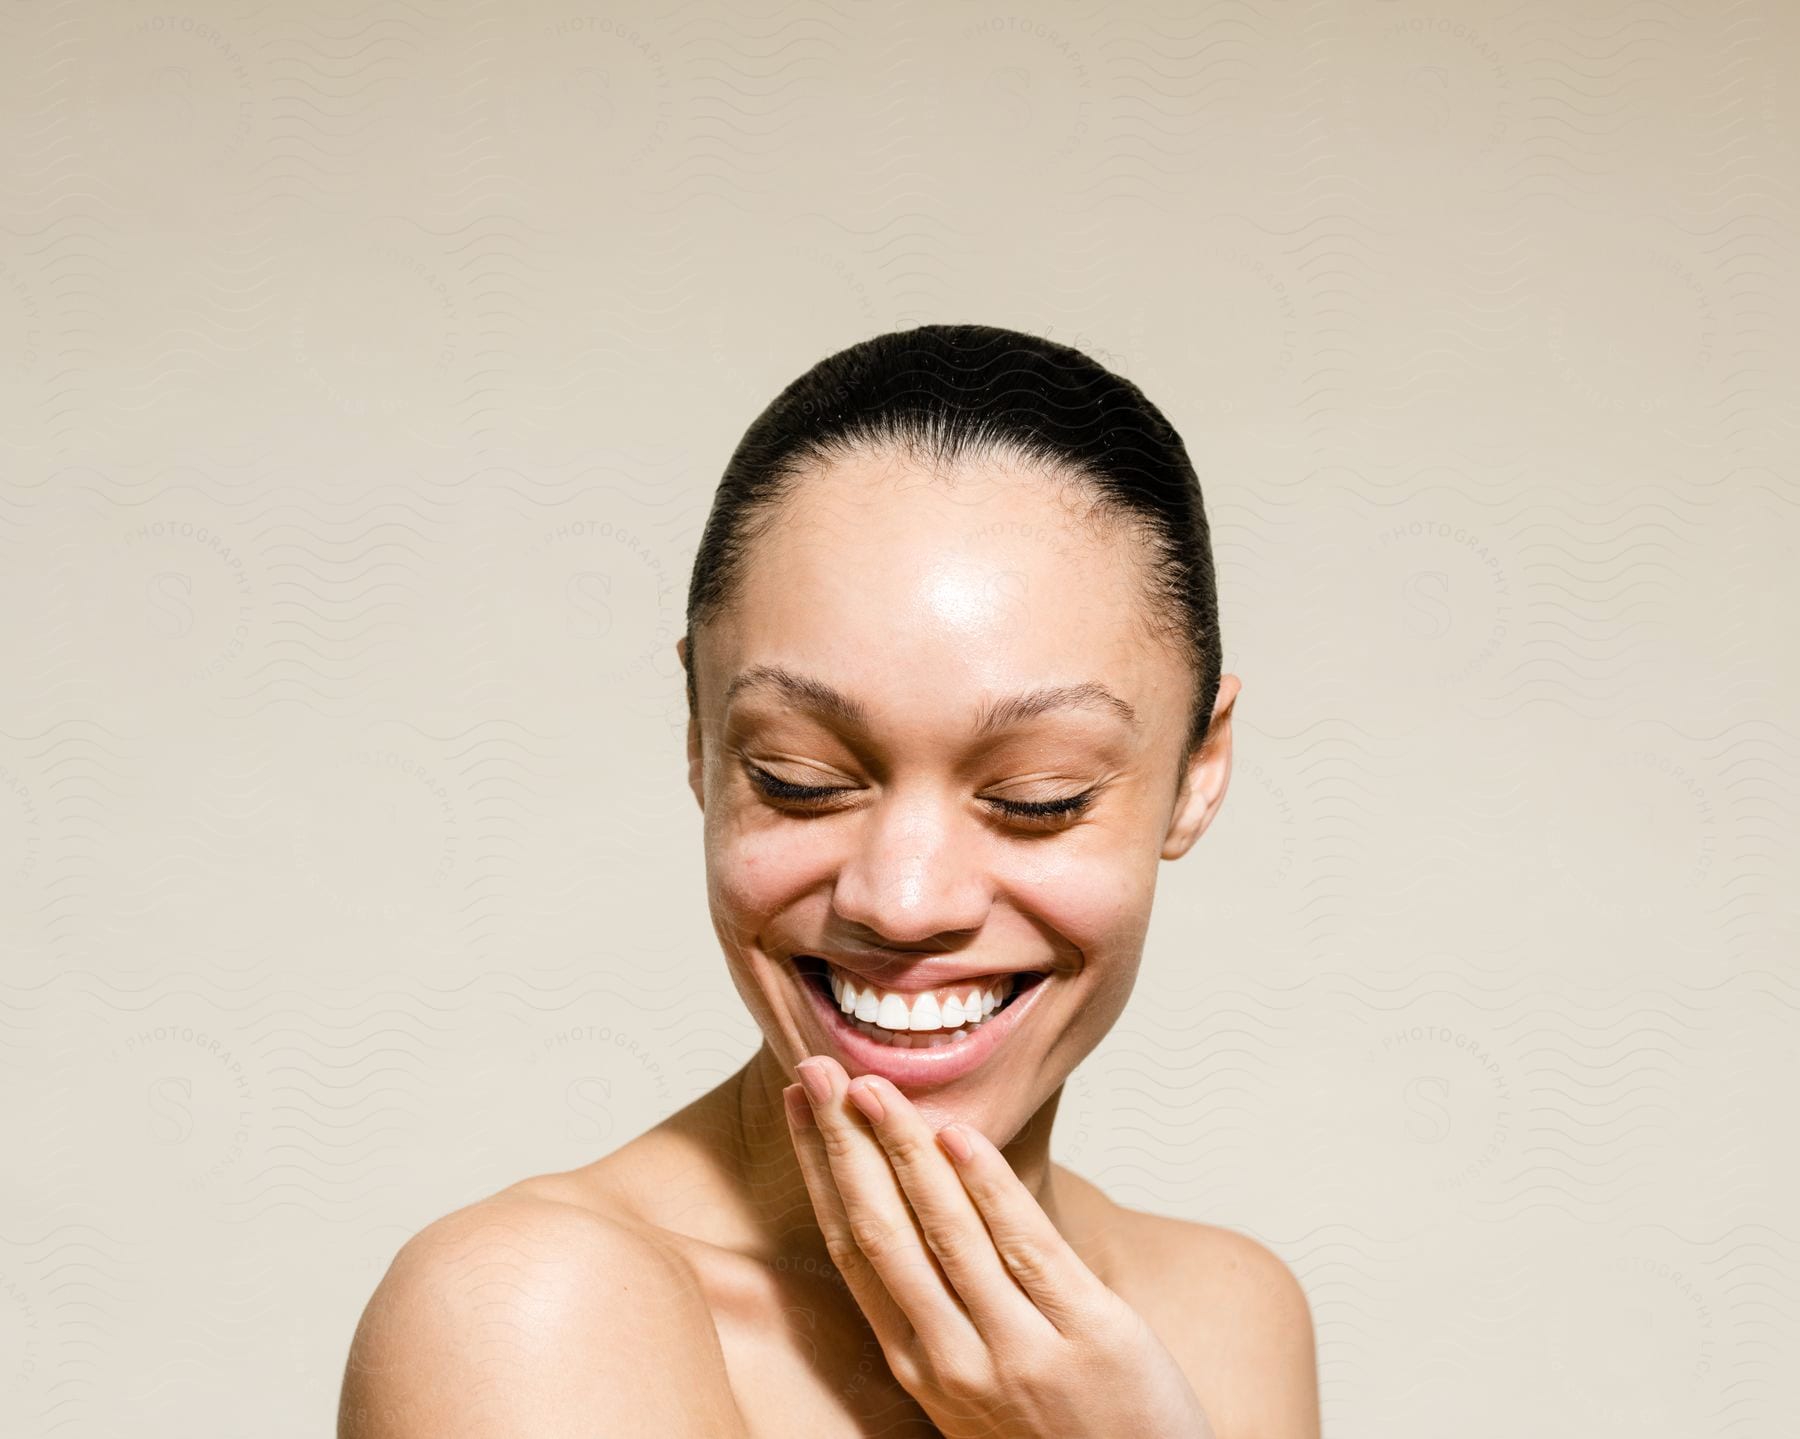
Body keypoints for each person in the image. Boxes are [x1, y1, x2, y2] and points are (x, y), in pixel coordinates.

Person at [337, 323, 1321, 1437]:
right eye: (800, 778)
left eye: (1036, 795)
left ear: (1199, 772)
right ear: (701, 740)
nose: (900, 901)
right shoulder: (526, 1314)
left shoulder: (1232, 1315)